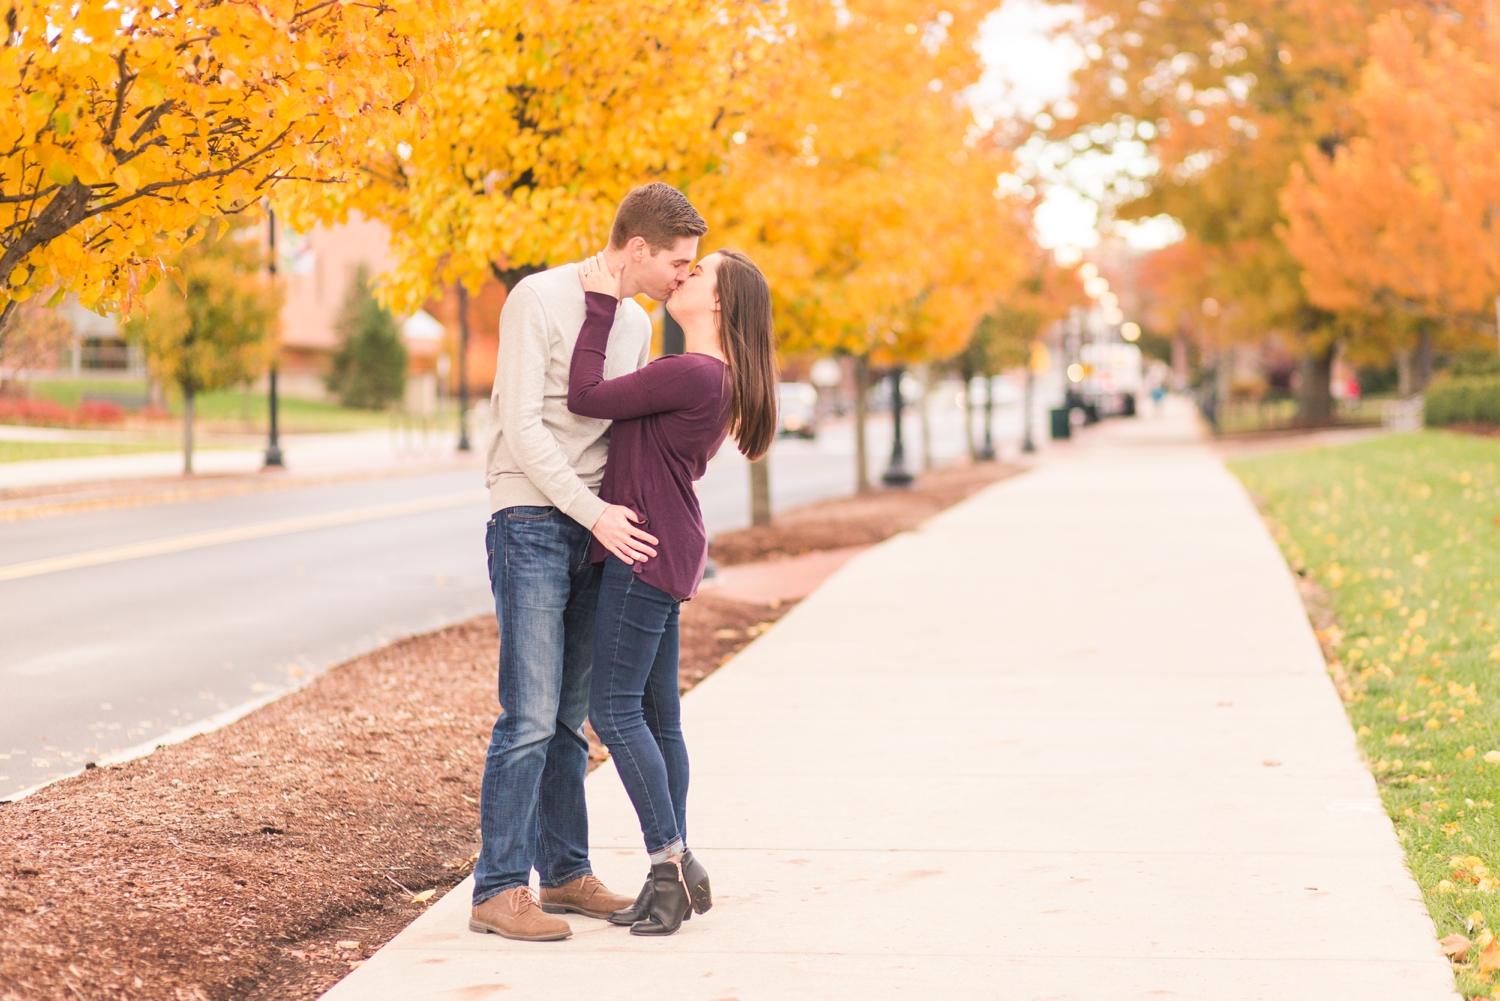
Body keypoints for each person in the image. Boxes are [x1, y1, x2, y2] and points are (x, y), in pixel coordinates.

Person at [469, 183, 708, 943]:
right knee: (531, 714)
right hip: (533, 518)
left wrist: (616, 515)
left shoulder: (634, 322)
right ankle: (499, 887)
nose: (683, 275)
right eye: (678, 261)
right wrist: (594, 511)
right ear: (637, 248)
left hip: (595, 530)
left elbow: (612, 420)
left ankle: (565, 873)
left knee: (571, 717)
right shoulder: (536, 298)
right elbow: (524, 425)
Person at [567, 247, 778, 935]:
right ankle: (676, 868)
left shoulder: (691, 372)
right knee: (659, 717)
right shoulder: (708, 374)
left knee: (614, 709)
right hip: (667, 544)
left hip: (645, 551)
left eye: (699, 272)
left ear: (718, 304)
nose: (684, 276)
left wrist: (600, 305)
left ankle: (672, 863)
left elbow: (586, 396)